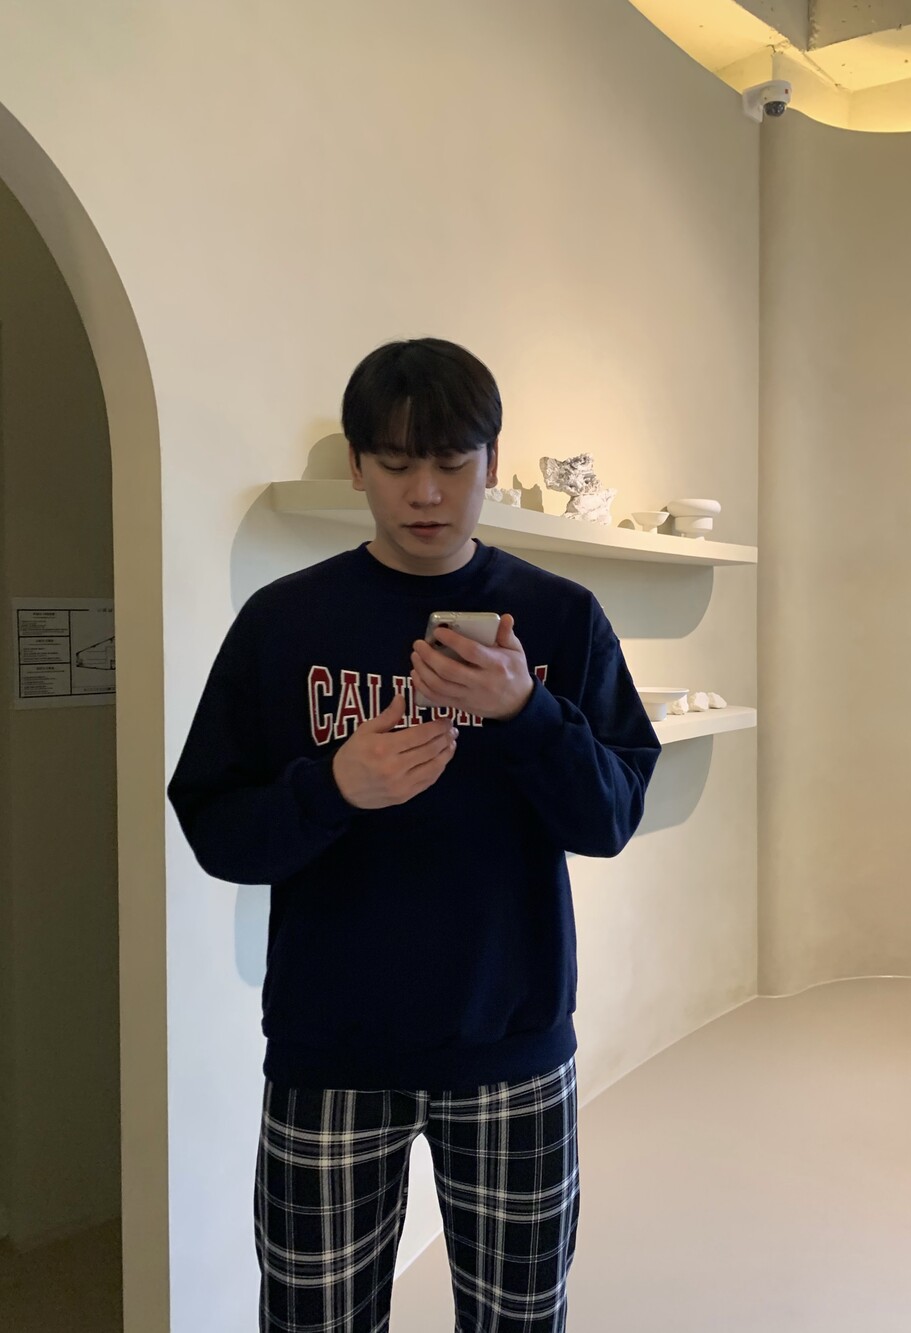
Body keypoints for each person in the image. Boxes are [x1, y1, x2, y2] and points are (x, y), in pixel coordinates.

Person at [167, 337, 660, 1332]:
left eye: (450, 462)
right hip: (329, 1048)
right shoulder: (283, 623)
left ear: (492, 461)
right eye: (395, 464)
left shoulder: (560, 619)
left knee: (519, 1317)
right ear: (356, 466)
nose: (425, 492)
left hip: (511, 1044)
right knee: (312, 1318)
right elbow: (216, 827)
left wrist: (528, 713)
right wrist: (335, 785)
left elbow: (610, 817)